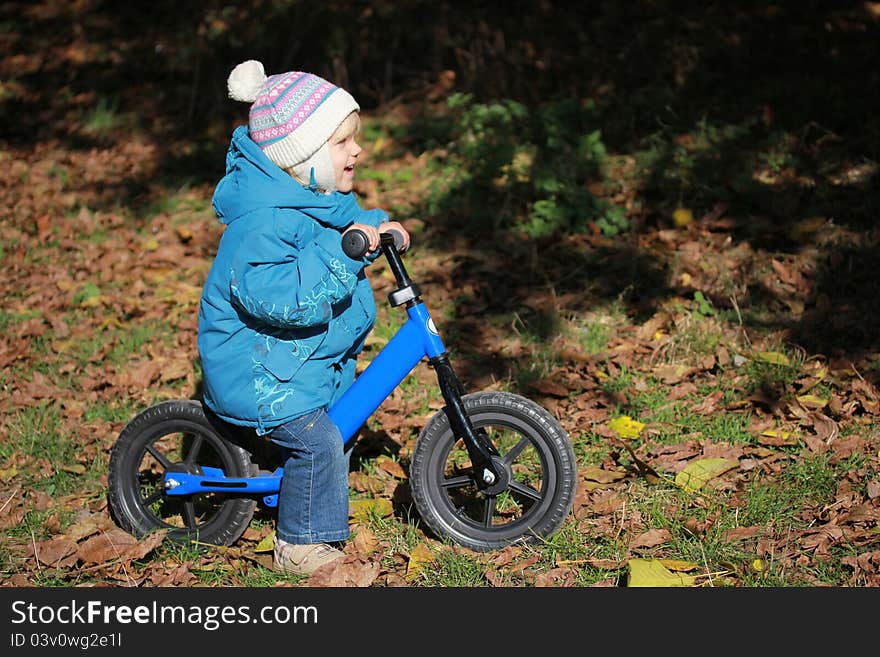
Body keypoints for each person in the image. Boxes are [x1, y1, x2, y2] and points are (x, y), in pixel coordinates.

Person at [197, 60, 410, 576]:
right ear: (301, 159)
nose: (356, 150)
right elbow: (282, 300)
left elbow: (346, 224)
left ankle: (301, 480)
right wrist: (345, 255)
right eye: (342, 143)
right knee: (319, 442)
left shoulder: (314, 197)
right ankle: (301, 543)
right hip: (258, 372)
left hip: (296, 364)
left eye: (352, 139)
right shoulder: (262, 224)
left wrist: (380, 229)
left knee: (339, 421)